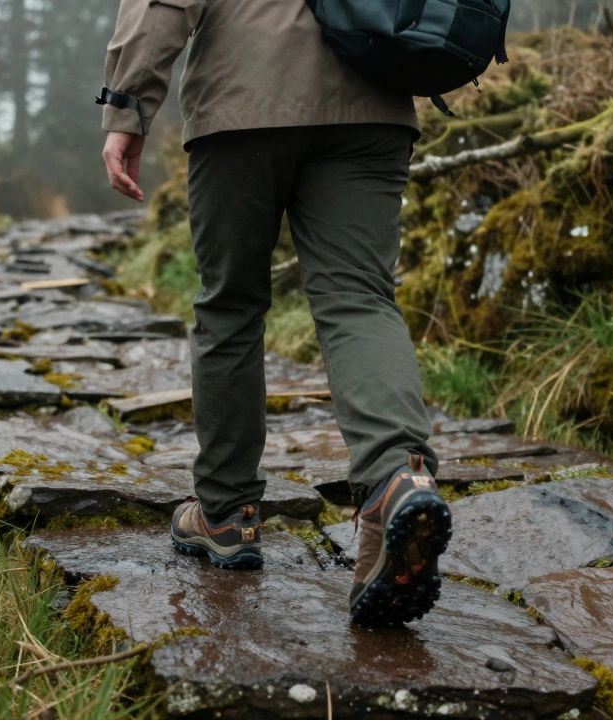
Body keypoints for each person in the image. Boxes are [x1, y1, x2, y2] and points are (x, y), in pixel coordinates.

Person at [98, 0, 452, 625]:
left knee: (230, 306)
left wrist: (127, 107)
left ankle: (226, 513)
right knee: (360, 297)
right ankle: (398, 476)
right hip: (371, 90)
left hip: (245, 95)